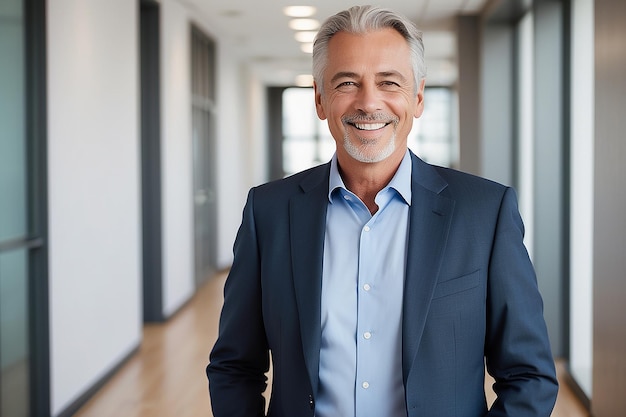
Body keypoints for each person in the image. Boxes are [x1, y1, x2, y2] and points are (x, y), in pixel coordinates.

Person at [206, 5, 558, 417]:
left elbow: (529, 376)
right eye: (347, 83)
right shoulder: (268, 213)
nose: (368, 102)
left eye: (389, 82)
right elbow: (234, 366)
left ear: (418, 97)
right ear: (320, 100)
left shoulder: (485, 213)